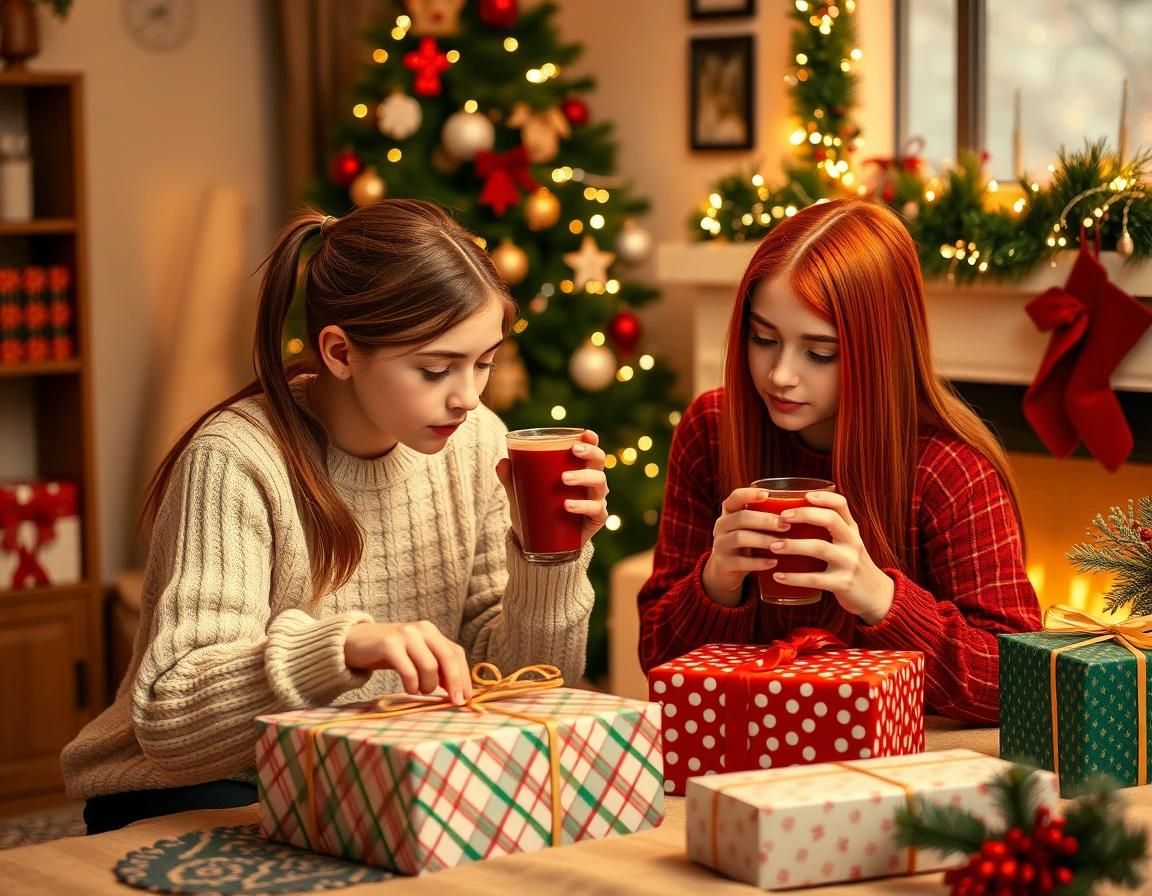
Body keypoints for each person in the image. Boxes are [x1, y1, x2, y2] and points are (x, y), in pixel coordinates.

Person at [63, 199, 608, 833]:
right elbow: (174, 718)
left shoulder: (478, 439)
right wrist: (341, 648)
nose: (467, 396)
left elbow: (526, 684)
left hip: (365, 778)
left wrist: (551, 558)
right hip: (208, 786)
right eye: (435, 369)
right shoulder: (236, 458)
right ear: (340, 353)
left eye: (484, 363)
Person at [637, 198, 1040, 724]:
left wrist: (879, 597)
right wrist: (715, 584)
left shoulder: (950, 469)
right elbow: (657, 659)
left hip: (894, 760)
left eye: (819, 353)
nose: (781, 374)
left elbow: (1024, 685)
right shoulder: (713, 429)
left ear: (879, 351)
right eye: (763, 339)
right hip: (748, 741)